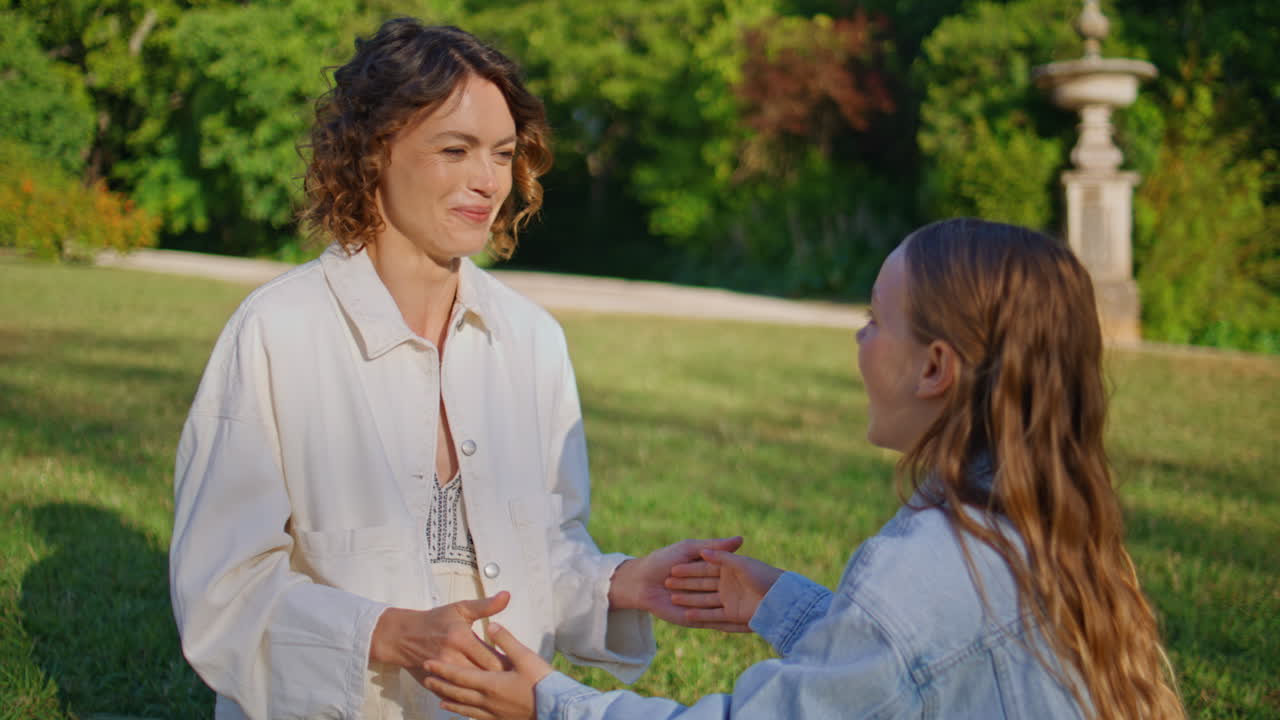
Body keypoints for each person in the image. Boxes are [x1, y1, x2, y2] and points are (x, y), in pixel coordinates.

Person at [168, 19, 739, 720]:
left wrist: (623, 583)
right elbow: (221, 589)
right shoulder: (276, 333)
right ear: (374, 151)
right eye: (455, 149)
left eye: (502, 154)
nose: (488, 181)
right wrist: (389, 634)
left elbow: (546, 551)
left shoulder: (532, 340)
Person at [421, 218, 1187, 720]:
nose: (860, 341)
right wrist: (777, 602)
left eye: (875, 320)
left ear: (935, 368)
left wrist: (550, 702)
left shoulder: (932, 562)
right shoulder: (1031, 521)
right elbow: (911, 673)